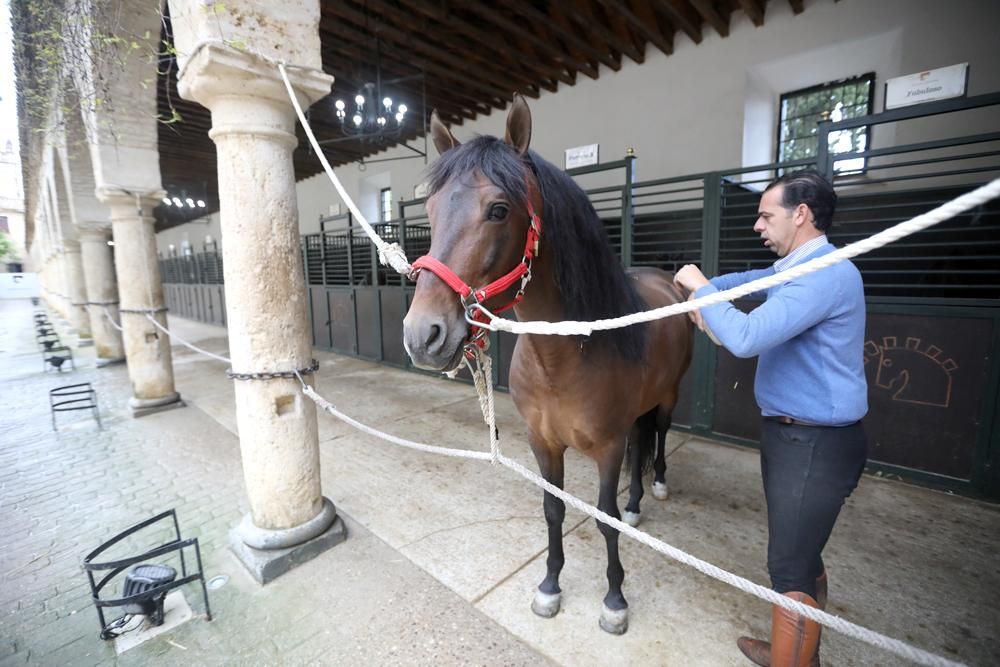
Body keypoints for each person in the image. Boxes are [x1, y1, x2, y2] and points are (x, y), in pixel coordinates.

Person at [673, 169, 868, 667]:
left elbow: (745, 338)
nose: (759, 225)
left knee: (789, 567)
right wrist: (710, 289)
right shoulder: (796, 268)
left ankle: (793, 658)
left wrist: (698, 288)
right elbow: (746, 283)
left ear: (800, 214)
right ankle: (799, 652)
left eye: (766, 215)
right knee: (800, 555)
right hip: (795, 437)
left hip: (814, 444)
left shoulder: (827, 272)